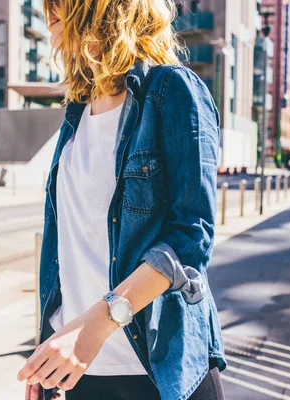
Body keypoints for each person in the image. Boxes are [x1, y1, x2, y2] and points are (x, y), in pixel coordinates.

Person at [17, 0, 226, 399]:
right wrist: (52, 343)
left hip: (162, 369)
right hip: (83, 370)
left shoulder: (172, 90)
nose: (50, 13)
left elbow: (190, 239)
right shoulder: (77, 112)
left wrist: (91, 328)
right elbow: (74, 246)